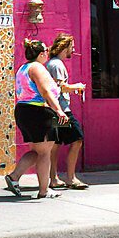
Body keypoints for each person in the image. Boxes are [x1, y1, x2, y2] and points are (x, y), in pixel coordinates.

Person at [3, 39, 69, 199]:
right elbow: (45, 91)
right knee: (45, 153)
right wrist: (59, 110)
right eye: (46, 51)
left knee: (38, 151)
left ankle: (14, 177)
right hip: (38, 112)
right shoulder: (37, 68)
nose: (48, 53)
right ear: (41, 54)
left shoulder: (23, 68)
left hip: (25, 111)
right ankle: (44, 190)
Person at [44, 34, 89, 190]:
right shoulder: (57, 65)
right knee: (77, 139)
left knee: (55, 144)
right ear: (64, 47)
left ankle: (54, 178)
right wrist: (77, 86)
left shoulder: (52, 63)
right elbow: (60, 87)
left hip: (54, 109)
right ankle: (71, 178)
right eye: (72, 46)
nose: (74, 49)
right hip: (62, 110)